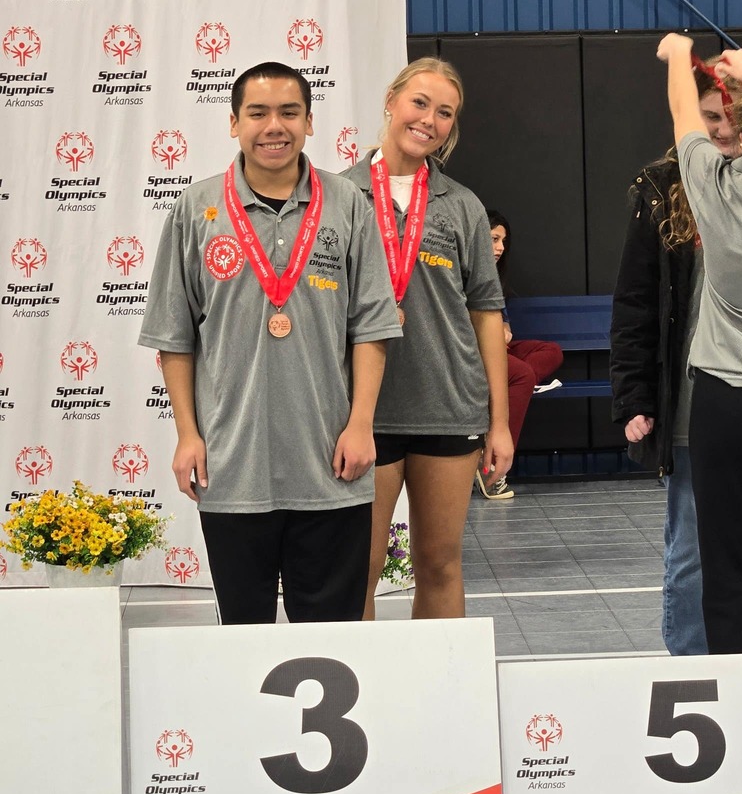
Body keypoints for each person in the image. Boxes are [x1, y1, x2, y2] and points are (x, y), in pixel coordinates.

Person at [138, 61, 402, 625]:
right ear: (234, 123)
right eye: (257, 113)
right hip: (232, 468)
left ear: (309, 122)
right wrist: (188, 434)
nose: (274, 126)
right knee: (243, 634)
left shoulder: (347, 204)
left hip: (331, 466)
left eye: (289, 112)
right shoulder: (196, 209)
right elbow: (175, 338)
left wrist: (361, 424)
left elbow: (372, 326)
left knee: (330, 636)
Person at [343, 57, 514, 619]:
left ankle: (441, 678)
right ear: (391, 100)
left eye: (445, 113)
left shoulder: (461, 205)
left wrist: (498, 422)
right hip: (362, 414)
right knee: (358, 568)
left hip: (447, 407)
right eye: (420, 102)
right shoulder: (337, 196)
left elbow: (486, 313)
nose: (429, 120)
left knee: (440, 564)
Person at [610, 59, 742, 655]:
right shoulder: (664, 188)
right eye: (710, 116)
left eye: (737, 116)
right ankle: (692, 666)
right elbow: (636, 302)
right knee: (691, 549)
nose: (724, 129)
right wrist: (634, 396)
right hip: (695, 406)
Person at [656, 33, 742, 654]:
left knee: (727, 563)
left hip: (728, 404)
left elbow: (683, 112)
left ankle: (741, 689)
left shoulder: (717, 187)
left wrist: (679, 55)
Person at [478, 209, 563, 499]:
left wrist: (504, 328)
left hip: (498, 348)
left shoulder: (494, 275)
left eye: (503, 241)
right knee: (523, 374)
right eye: (494, 239)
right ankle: (491, 469)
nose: (501, 247)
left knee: (550, 351)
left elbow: (500, 318)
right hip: (475, 353)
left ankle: (517, 386)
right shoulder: (467, 271)